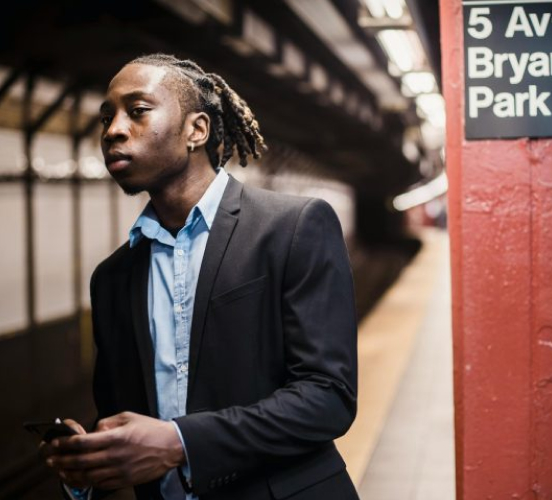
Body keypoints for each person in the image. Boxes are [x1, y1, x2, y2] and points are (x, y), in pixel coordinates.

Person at [40, 53, 359, 500]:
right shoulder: (112, 279)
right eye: (107, 117)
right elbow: (127, 418)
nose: (113, 130)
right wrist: (90, 464)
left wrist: (179, 442)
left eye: (137, 111)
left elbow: (328, 398)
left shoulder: (294, 227)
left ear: (197, 130)